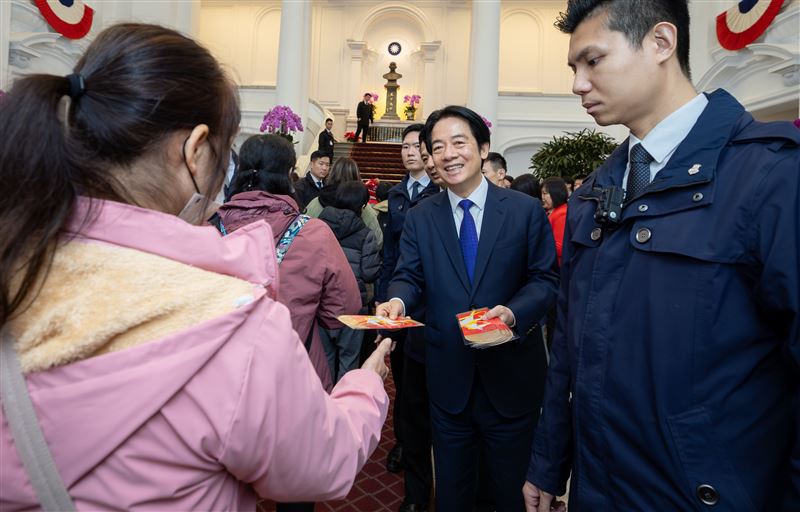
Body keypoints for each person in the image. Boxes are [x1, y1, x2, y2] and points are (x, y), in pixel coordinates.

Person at [0, 23, 394, 510]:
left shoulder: (13, 264)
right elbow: (322, 465)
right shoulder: (233, 323)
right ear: (195, 150)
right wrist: (366, 385)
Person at [524, 1, 800, 511]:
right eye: (573, 68)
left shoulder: (770, 177)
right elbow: (568, 349)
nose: (578, 84)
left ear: (660, 43)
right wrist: (547, 460)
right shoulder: (593, 195)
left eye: (593, 61)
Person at [377, 106, 558, 511]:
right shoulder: (422, 217)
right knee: (454, 496)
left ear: (483, 148)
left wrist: (514, 313)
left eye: (459, 142)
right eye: (437, 147)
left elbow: (545, 280)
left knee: (509, 495)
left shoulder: (524, 211)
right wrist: (397, 299)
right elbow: (409, 275)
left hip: (511, 379)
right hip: (450, 381)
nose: (448, 154)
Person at [215, 134, 361, 394]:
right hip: (294, 375)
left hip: (219, 377)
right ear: (290, 174)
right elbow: (343, 309)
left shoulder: (208, 227)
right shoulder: (314, 232)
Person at [375, 124, 442, 484]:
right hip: (401, 297)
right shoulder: (396, 193)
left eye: (417, 146)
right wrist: (385, 297)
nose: (410, 152)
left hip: (433, 304)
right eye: (405, 146)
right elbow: (390, 254)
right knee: (404, 380)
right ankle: (404, 442)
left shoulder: (439, 190)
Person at [318, 182, 380, 382]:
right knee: (349, 363)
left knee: (324, 364)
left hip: (324, 303)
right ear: (362, 206)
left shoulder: (319, 226)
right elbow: (369, 273)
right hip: (354, 306)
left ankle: (323, 408)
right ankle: (345, 408)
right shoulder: (365, 234)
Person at [305, 157, 383, 249]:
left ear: (332, 174)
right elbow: (378, 241)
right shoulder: (364, 208)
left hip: (321, 257)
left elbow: (303, 235)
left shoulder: (315, 203)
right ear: (356, 176)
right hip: (354, 260)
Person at [541, 177, 569, 265]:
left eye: (545, 193)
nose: (542, 197)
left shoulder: (562, 214)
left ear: (555, 194)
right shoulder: (553, 211)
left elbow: (559, 248)